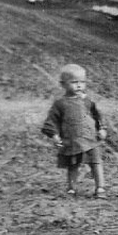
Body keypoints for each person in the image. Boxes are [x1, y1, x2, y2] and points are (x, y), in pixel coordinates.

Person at [42, 63, 108, 198]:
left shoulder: (87, 101)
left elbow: (97, 115)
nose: (79, 86)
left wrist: (101, 128)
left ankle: (100, 187)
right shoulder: (60, 104)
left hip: (90, 138)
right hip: (72, 139)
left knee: (96, 162)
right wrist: (54, 136)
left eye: (82, 82)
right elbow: (51, 121)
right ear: (63, 84)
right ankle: (72, 187)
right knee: (73, 164)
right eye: (74, 82)